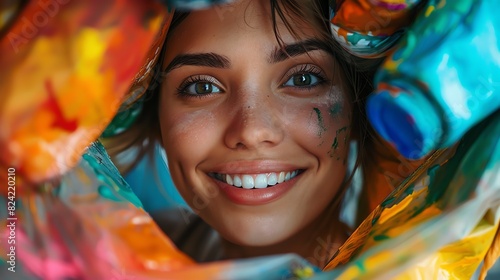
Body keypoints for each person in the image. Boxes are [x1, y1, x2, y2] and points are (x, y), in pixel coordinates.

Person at [107, 0, 419, 268]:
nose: (252, 131)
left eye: (302, 79)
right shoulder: (104, 259)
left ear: (357, 109)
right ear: (156, 116)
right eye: (202, 87)